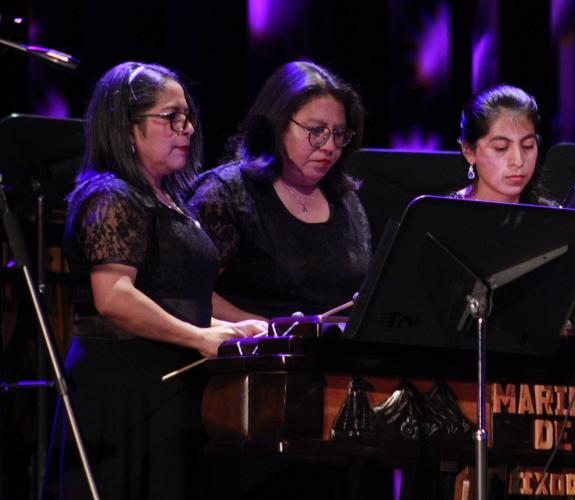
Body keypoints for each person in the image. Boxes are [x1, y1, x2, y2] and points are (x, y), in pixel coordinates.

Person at [45, 62, 267, 500]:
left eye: (187, 117)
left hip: (169, 383)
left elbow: (185, 288)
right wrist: (200, 337)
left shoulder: (168, 199)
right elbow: (114, 297)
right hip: (125, 387)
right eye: (171, 118)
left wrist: (258, 325)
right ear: (127, 127)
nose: (185, 129)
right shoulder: (110, 194)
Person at [186, 61, 371, 321]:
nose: (330, 146)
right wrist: (264, 327)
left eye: (339, 133)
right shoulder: (225, 195)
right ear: (277, 125)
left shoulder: (345, 199)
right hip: (254, 355)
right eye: (316, 131)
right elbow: (185, 291)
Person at [455, 84, 575, 324]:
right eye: (501, 148)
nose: (518, 160)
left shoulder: (554, 217)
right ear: (469, 151)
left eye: (527, 146)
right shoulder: (446, 215)